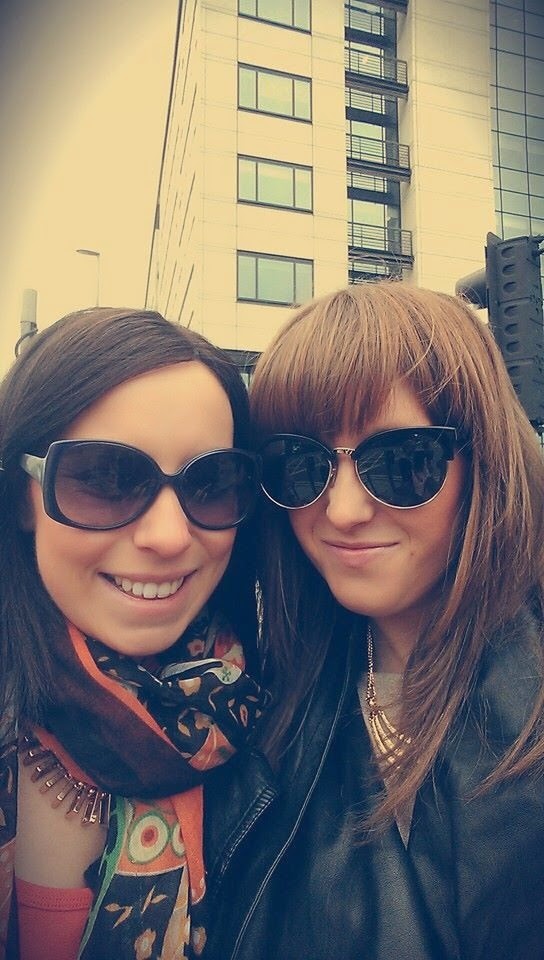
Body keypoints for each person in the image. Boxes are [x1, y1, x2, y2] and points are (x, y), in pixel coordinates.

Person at [202, 281, 544, 960]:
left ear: (484, 461)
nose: (344, 510)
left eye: (401, 462)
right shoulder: (257, 696)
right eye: (302, 466)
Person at [0, 306, 266, 960]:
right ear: (23, 498)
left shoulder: (280, 720)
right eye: (106, 480)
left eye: (211, 482)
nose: (169, 536)